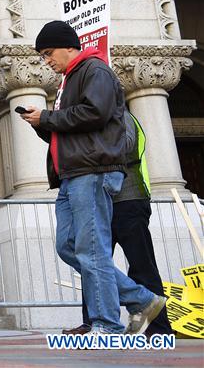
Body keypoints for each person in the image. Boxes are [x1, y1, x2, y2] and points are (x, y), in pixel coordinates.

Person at [19, 20, 166, 334]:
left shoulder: (94, 71)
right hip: (73, 175)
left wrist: (47, 117)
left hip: (92, 173)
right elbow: (74, 128)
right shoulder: (70, 80)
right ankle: (140, 299)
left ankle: (106, 323)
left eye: (48, 53)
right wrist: (43, 123)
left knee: (91, 249)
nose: (46, 61)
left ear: (69, 46)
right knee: (69, 247)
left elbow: (94, 113)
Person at [63, 112, 173, 336]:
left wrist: (89, 147)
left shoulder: (120, 114)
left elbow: (125, 144)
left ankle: (159, 329)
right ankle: (92, 322)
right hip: (101, 202)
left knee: (142, 266)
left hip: (129, 201)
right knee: (92, 264)